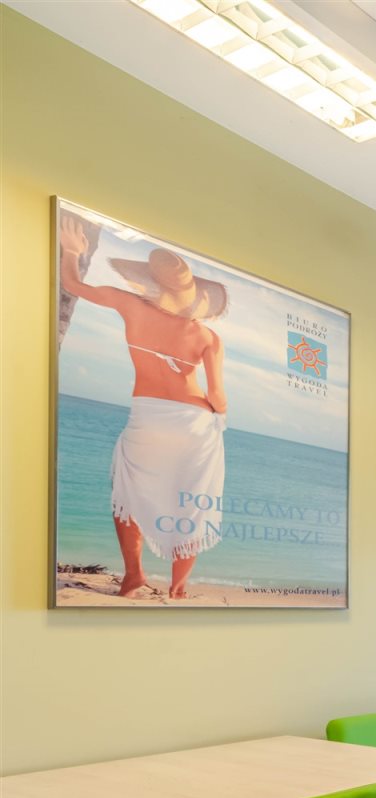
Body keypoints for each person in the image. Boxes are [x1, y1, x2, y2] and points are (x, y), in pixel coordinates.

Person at [59, 213, 229, 599]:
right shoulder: (207, 337)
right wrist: (220, 414)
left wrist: (71, 251)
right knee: (190, 500)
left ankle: (133, 574)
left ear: (150, 282)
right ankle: (178, 587)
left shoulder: (129, 305)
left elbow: (72, 284)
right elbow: (217, 395)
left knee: (128, 487)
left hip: (148, 415)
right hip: (195, 420)